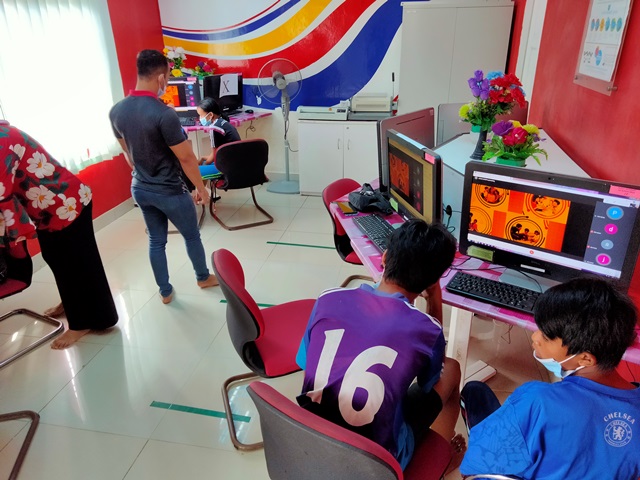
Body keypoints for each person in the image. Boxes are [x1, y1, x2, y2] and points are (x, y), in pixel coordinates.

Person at [296, 219, 466, 471]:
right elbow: (430, 381)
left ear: (384, 257)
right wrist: (434, 298)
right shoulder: (427, 329)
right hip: (377, 464)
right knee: (451, 369)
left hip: (309, 438)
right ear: (433, 280)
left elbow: (305, 363)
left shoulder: (328, 299)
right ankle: (440, 459)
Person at [460, 277, 640, 479]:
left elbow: (474, 470)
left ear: (585, 358)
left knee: (473, 392)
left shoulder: (537, 400)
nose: (534, 337)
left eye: (546, 337)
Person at [109, 49, 218, 304]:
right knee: (191, 235)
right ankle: (202, 277)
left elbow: (128, 154)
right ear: (161, 78)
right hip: (170, 190)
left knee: (156, 241)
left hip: (140, 188)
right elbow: (187, 158)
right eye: (168, 78)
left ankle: (165, 291)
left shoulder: (116, 111)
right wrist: (201, 189)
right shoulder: (164, 114)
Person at [0, 120, 118, 349]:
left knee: (76, 263)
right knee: (57, 259)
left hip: (65, 205)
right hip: (48, 209)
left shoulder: (3, 140)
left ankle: (82, 323)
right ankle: (70, 303)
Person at [196, 97, 241, 178]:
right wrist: (203, 158)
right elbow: (216, 153)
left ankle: (201, 187)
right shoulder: (223, 122)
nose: (200, 119)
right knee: (203, 163)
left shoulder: (214, 128)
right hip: (236, 163)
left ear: (210, 115)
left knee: (194, 171)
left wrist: (205, 164)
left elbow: (213, 156)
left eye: (201, 115)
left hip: (228, 167)